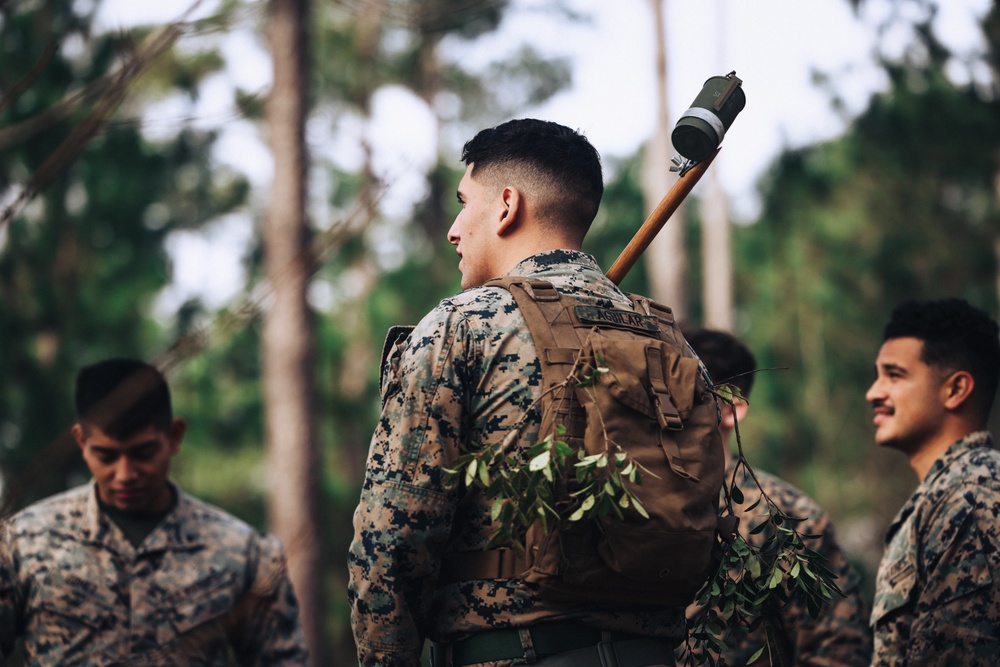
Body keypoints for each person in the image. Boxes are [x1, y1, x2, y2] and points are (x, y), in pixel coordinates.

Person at [348, 118, 705, 666]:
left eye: (465, 202)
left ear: (507, 205)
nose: (453, 228)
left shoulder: (462, 327)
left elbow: (394, 540)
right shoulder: (670, 342)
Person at [0, 358, 309, 666]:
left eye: (142, 453)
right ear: (81, 441)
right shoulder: (23, 542)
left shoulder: (243, 554)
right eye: (106, 456)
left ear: (174, 436)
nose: (125, 474)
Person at [677, 329, 872, 666]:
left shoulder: (785, 517)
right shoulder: (630, 503)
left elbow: (837, 648)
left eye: (685, 393)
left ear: (730, 410)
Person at [866, 298, 1000, 665]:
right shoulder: (947, 495)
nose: (873, 392)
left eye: (894, 375)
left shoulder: (969, 501)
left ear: (955, 389)